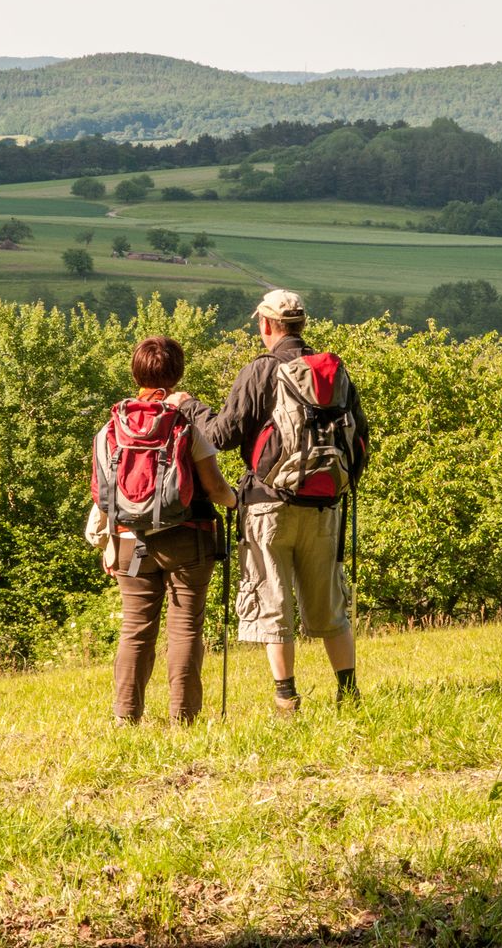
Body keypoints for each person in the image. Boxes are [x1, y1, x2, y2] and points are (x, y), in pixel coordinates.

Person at [172, 290, 368, 712]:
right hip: (324, 503)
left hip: (267, 505)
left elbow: (222, 436)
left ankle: (286, 697)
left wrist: (190, 407)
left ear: (266, 325)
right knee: (328, 601)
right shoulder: (333, 371)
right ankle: (348, 693)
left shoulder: (260, 371)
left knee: (273, 598)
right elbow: (362, 440)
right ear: (301, 325)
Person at [95, 336, 236, 724]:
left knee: (135, 630)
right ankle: (184, 719)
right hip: (187, 537)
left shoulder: (111, 428)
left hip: (129, 540)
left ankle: (126, 717)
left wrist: (108, 540)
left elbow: (103, 492)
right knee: (185, 629)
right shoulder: (186, 426)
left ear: (134, 372)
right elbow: (216, 489)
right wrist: (240, 500)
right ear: (178, 373)